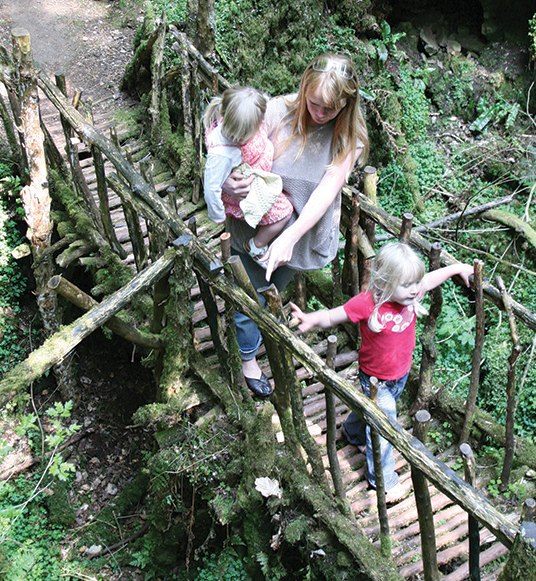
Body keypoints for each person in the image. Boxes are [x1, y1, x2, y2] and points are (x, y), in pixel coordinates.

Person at [222, 53, 369, 397]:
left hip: (299, 234)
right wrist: (228, 181)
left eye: (329, 109)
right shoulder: (276, 110)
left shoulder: (349, 137)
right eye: (314, 103)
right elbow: (232, 148)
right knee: (251, 291)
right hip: (255, 220)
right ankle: (247, 357)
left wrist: (289, 236)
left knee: (265, 287)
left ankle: (250, 334)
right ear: (304, 86)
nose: (319, 113)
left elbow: (327, 189)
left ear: (346, 105)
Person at [289, 242, 473, 503]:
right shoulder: (368, 303)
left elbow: (430, 280)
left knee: (371, 409)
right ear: (386, 282)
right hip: (376, 379)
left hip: (400, 374)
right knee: (384, 425)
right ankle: (382, 480)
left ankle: (352, 432)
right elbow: (334, 316)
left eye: (415, 283)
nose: (414, 290)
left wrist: (458, 268)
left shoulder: (410, 294)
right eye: (407, 284)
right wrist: (311, 319)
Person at [203, 86, 293, 260]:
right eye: (238, 137)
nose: (237, 140)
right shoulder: (221, 153)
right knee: (284, 212)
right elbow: (211, 186)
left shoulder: (249, 111)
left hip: (255, 179)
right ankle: (256, 245)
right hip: (244, 194)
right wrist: (217, 215)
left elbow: (260, 101)